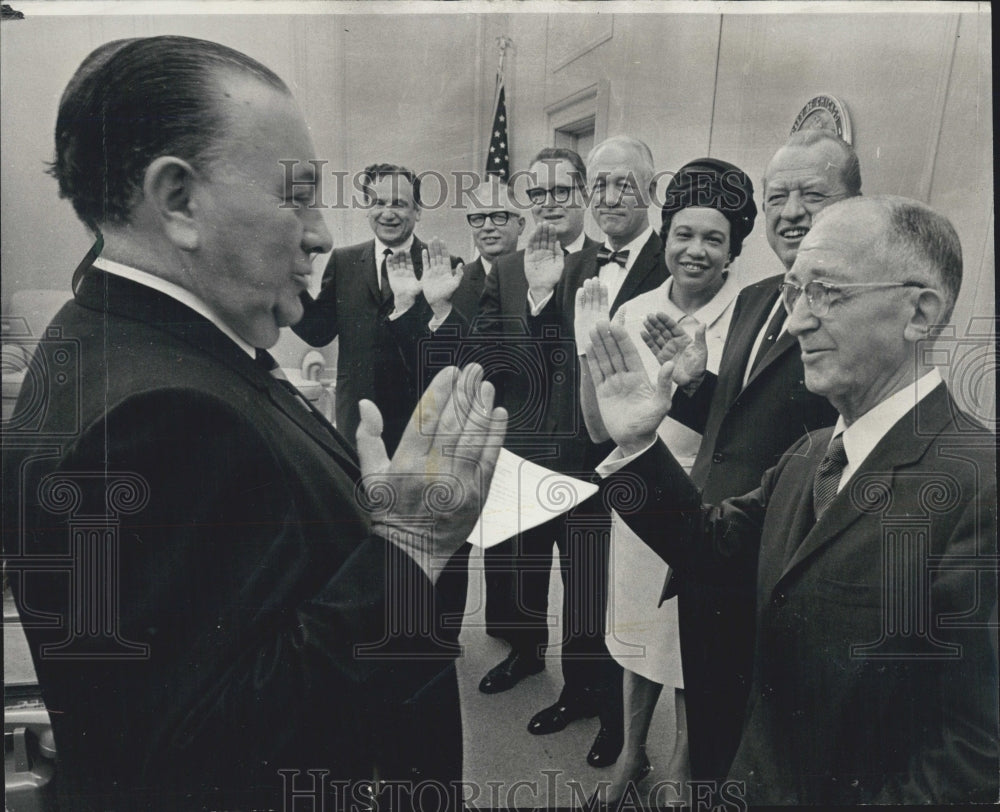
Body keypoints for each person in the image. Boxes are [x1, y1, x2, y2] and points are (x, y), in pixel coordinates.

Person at [1, 35, 507, 812]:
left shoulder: (124, 338)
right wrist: (408, 545)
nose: (318, 232)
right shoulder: (157, 415)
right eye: (296, 195)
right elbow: (203, 751)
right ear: (177, 201)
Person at [586, 195, 998, 805]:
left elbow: (976, 750)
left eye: (826, 292)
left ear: (921, 312)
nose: (798, 320)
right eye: (793, 292)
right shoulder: (809, 454)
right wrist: (640, 445)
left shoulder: (979, 486)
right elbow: (709, 548)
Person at [641, 129, 849, 781]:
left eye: (810, 194)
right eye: (777, 194)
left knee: (768, 752)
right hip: (713, 547)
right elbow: (734, 427)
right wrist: (695, 383)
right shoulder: (760, 298)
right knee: (711, 726)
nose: (790, 210)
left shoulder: (853, 308)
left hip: (780, 562)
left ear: (850, 202)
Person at [576, 158, 756, 804]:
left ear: (735, 244)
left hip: (705, 499)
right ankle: (631, 756)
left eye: (713, 237)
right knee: (633, 634)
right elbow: (599, 431)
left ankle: (681, 765)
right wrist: (584, 350)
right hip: (636, 492)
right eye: (683, 233)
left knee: (690, 642)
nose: (695, 250)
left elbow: (743, 427)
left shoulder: (750, 315)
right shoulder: (634, 312)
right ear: (665, 233)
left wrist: (696, 384)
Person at [491, 136, 669, 770]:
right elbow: (523, 357)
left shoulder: (618, 258)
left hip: (600, 456)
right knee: (523, 569)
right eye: (536, 193)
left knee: (593, 587)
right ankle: (530, 655)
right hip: (530, 449)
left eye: (563, 191)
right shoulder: (517, 266)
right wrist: (541, 298)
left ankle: (590, 694)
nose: (551, 204)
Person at [292, 162, 464, 454]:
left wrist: (439, 308)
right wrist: (288, 276)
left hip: (419, 422)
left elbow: (454, 358)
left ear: (418, 211)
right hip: (355, 420)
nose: (387, 212)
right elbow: (318, 331)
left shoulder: (443, 267)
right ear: (367, 208)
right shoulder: (344, 261)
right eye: (377, 202)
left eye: (399, 203)